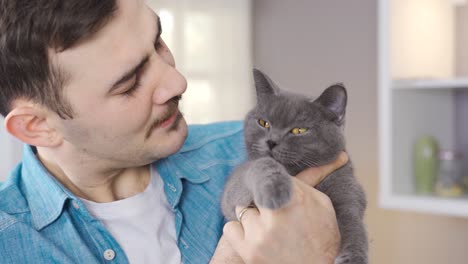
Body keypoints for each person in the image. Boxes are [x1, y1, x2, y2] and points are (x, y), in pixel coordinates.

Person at [0, 0, 346, 263]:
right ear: (38, 126)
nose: (177, 82)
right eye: (129, 83)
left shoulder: (257, 154)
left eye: (158, 42)